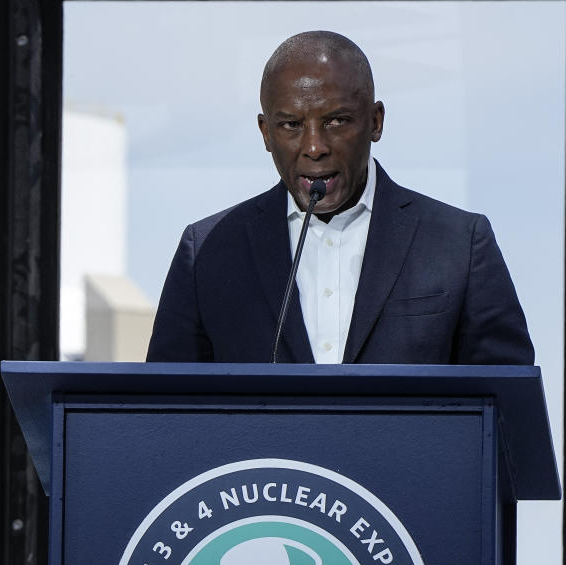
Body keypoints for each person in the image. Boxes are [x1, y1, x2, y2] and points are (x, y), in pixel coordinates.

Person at [146, 31, 533, 365]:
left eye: (336, 121)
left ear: (375, 121)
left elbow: (507, 412)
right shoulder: (209, 250)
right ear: (265, 133)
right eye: (291, 125)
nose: (314, 147)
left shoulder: (459, 243)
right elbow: (163, 417)